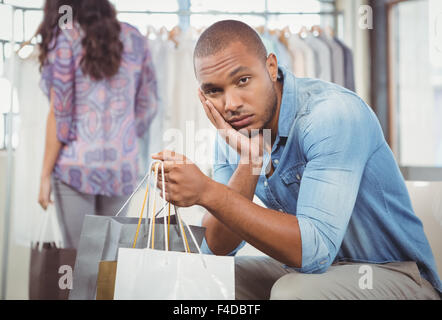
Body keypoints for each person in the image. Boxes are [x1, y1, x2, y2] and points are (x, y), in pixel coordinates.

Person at [151, 20, 441, 300]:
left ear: (271, 67)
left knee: (292, 293)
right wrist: (249, 161)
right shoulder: (236, 132)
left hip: (395, 276)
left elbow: (314, 254)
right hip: (320, 272)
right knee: (206, 279)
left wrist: (207, 192)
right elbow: (218, 248)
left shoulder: (331, 115)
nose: (231, 104)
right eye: (214, 90)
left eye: (242, 80)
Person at [37, 0, 158, 249]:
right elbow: (149, 104)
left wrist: (45, 176)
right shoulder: (135, 38)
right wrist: (123, 136)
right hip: (121, 168)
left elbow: (60, 113)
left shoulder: (66, 38)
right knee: (109, 263)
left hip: (75, 167)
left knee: (78, 261)